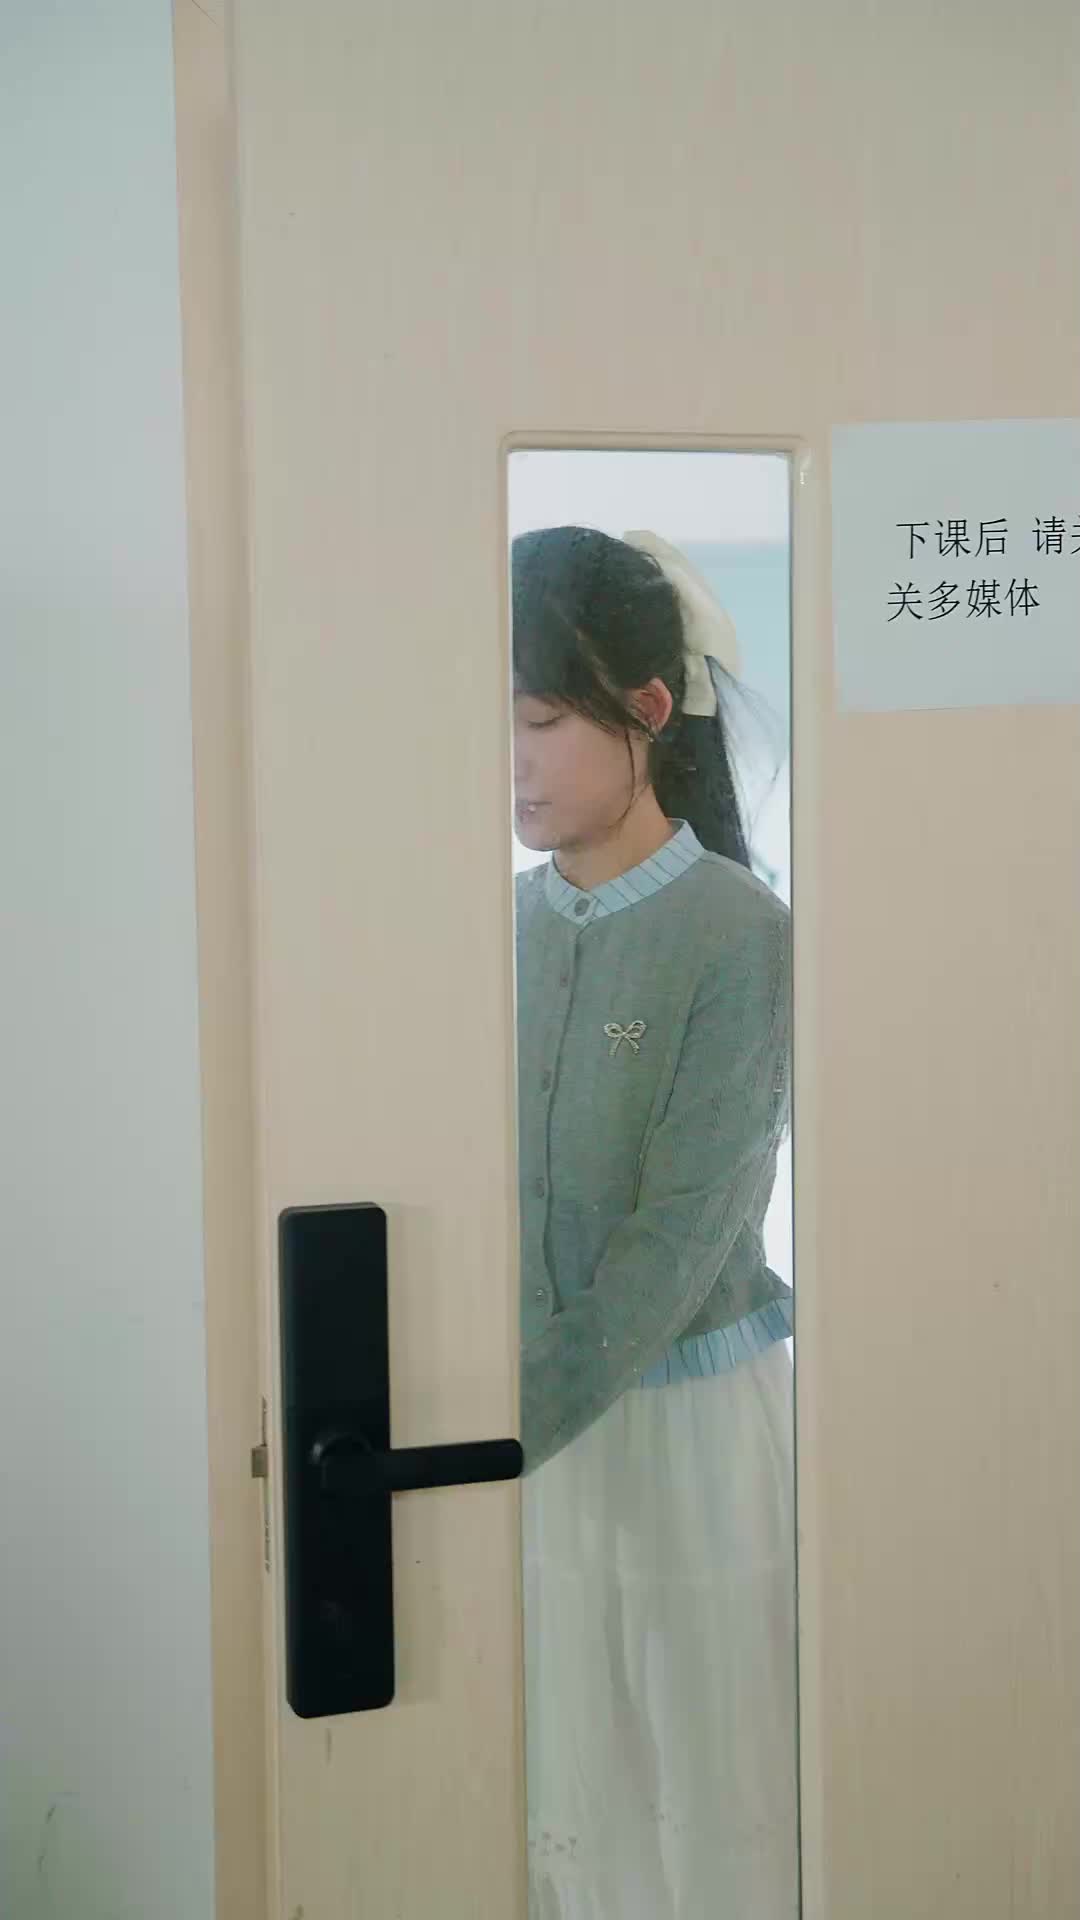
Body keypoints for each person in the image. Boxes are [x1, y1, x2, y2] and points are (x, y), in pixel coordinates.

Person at [512, 525, 798, 1919]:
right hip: (530, 1434)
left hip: (680, 1432)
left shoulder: (741, 933)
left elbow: (682, 1239)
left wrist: (499, 1424)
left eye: (539, 723)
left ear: (647, 710)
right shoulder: (492, 930)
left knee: (707, 1793)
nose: (510, 760)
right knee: (570, 1790)